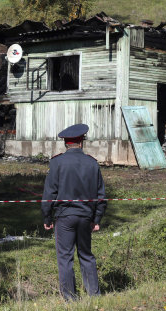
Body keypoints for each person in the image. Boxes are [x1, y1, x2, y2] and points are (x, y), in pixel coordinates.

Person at [41, 123, 107, 301]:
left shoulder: (57, 162)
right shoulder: (92, 163)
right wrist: (97, 218)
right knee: (86, 255)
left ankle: (70, 299)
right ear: (81, 141)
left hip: (64, 217)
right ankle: (94, 295)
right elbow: (101, 195)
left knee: (65, 258)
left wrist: (47, 216)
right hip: (86, 217)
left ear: (66, 143)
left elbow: (49, 193)